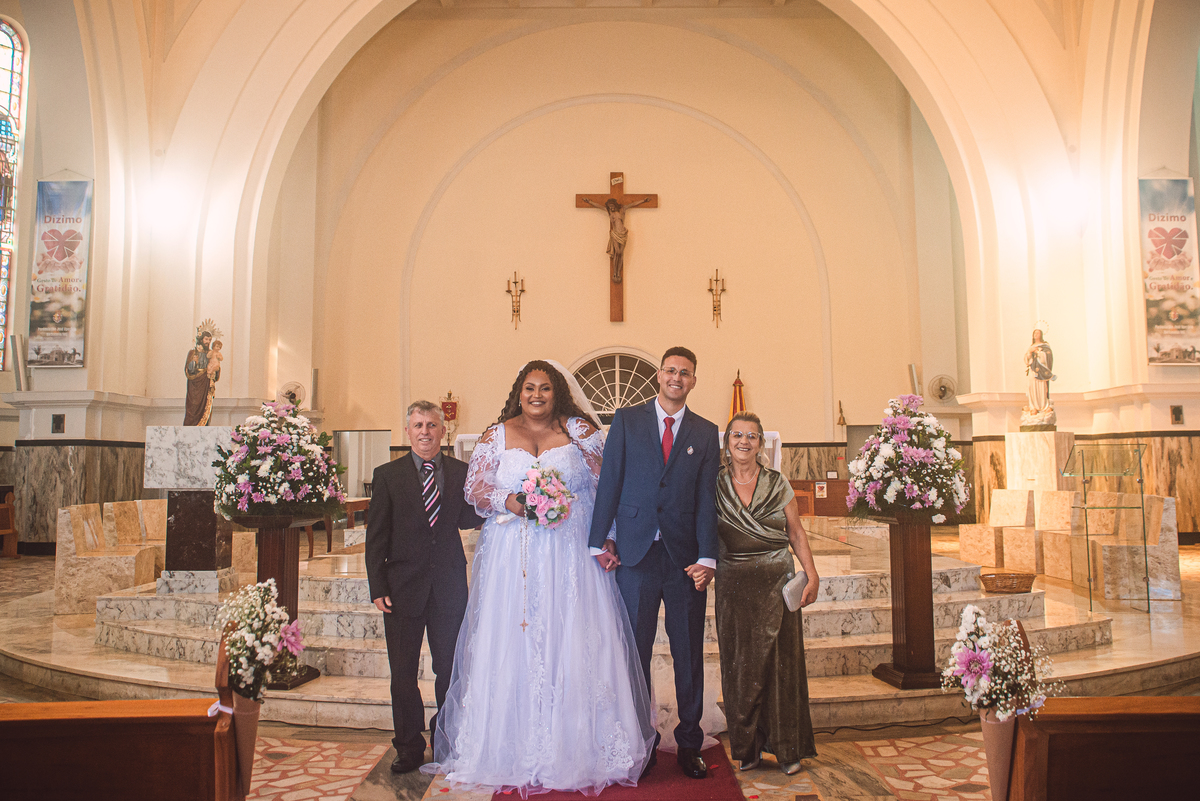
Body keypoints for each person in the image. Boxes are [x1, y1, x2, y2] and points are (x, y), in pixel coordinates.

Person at [427, 360, 655, 797]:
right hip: (514, 558)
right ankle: (510, 744)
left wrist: (607, 539)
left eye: (545, 389)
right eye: (529, 388)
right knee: (513, 639)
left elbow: (606, 483)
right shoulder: (497, 434)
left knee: (573, 638)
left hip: (571, 556)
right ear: (519, 391)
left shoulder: (580, 432)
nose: (536, 395)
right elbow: (474, 490)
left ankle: (579, 743)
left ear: (557, 393)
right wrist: (508, 500)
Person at [589, 346, 720, 780]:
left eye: (685, 373)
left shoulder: (705, 431)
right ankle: (638, 744)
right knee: (634, 654)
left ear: (693, 380)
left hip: (684, 560)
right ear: (658, 375)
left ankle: (688, 743)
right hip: (635, 555)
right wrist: (598, 541)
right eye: (670, 371)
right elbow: (611, 480)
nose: (676, 378)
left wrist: (707, 556)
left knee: (688, 655)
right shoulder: (626, 421)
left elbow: (706, 498)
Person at [365, 401, 483, 774]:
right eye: (418, 425)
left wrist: (495, 496)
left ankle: (446, 738)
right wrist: (377, 584)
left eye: (432, 425)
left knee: (449, 668)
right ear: (408, 431)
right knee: (402, 673)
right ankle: (409, 745)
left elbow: (469, 517)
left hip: (448, 586)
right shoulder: (387, 475)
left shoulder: (462, 472)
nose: (426, 432)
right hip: (401, 589)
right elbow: (376, 536)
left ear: (443, 430)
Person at [715, 412, 819, 775]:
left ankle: (788, 748)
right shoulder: (713, 484)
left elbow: (796, 533)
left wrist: (811, 573)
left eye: (752, 436)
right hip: (734, 585)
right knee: (740, 665)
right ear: (727, 441)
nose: (744, 441)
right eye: (737, 435)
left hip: (777, 582)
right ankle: (749, 749)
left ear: (761, 443)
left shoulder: (778, 482)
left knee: (782, 666)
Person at [582, 196, 653, 283]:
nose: (611, 208)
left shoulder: (622, 210)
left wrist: (643, 200)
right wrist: (589, 202)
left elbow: (632, 204)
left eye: (612, 206)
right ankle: (615, 272)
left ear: (615, 205)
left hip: (623, 234)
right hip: (615, 234)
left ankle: (618, 273)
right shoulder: (609, 212)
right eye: (609, 207)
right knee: (617, 252)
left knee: (621, 253)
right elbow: (599, 206)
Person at [183, 329, 216, 426]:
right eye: (206, 339)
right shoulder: (193, 353)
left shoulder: (211, 354)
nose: (208, 342)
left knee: (205, 406)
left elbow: (216, 373)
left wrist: (215, 368)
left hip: (206, 384)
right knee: (192, 407)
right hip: (194, 386)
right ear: (201, 339)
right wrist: (194, 362)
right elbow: (188, 371)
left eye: (210, 340)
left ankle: (203, 426)